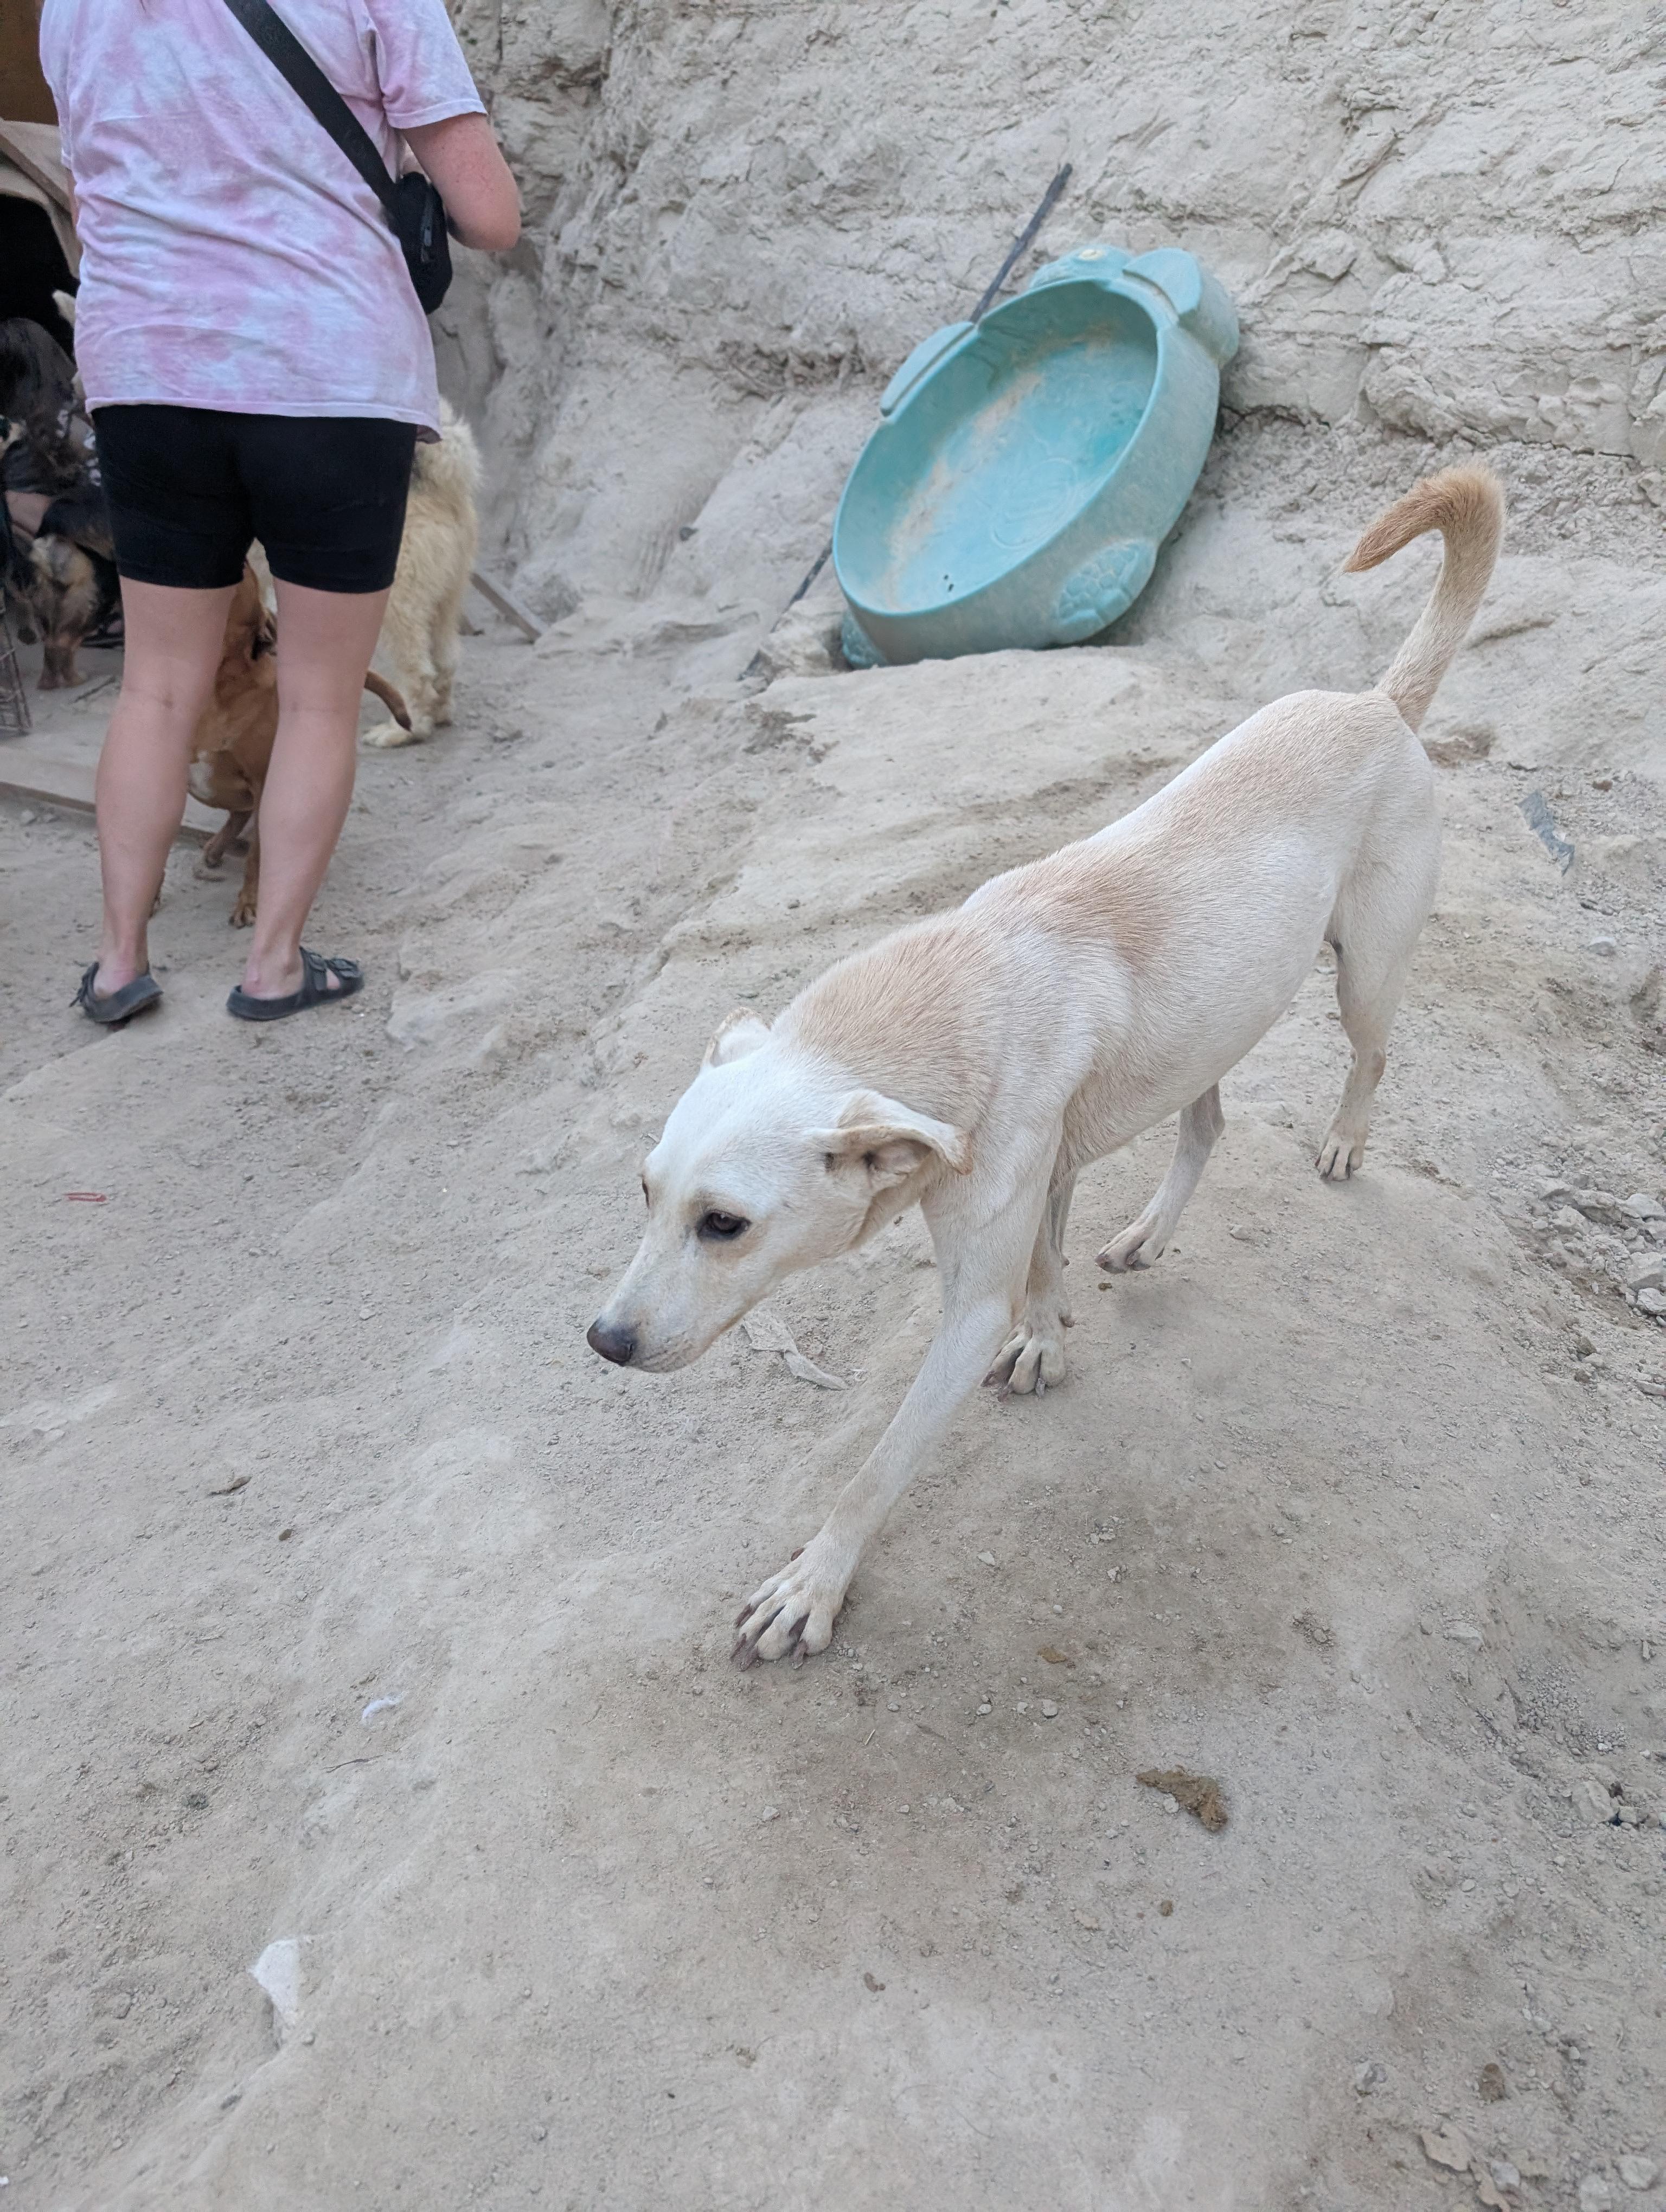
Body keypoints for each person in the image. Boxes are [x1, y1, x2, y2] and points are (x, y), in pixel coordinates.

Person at [37, 0, 519, 1024]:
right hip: (327, 368)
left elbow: (90, 198)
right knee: (317, 695)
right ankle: (273, 969)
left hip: (150, 367)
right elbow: (491, 216)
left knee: (157, 690)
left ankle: (119, 963)